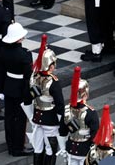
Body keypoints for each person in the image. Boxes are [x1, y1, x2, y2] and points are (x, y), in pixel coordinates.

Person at [30, 35, 65, 165]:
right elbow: (60, 105)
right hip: (50, 120)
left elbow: (29, 96)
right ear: (50, 66)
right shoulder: (54, 82)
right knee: (50, 149)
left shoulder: (34, 77)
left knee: (38, 147)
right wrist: (62, 123)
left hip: (37, 117)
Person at [0, 22, 34, 157]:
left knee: (9, 117)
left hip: (8, 85)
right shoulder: (24, 54)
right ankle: (18, 147)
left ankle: (10, 144)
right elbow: (28, 75)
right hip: (20, 88)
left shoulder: (3, 51)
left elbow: (2, 70)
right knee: (20, 119)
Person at [61, 67, 99, 165]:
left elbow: (62, 131)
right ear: (85, 93)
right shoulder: (91, 112)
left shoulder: (66, 109)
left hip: (70, 148)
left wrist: (63, 148)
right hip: (84, 149)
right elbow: (95, 135)